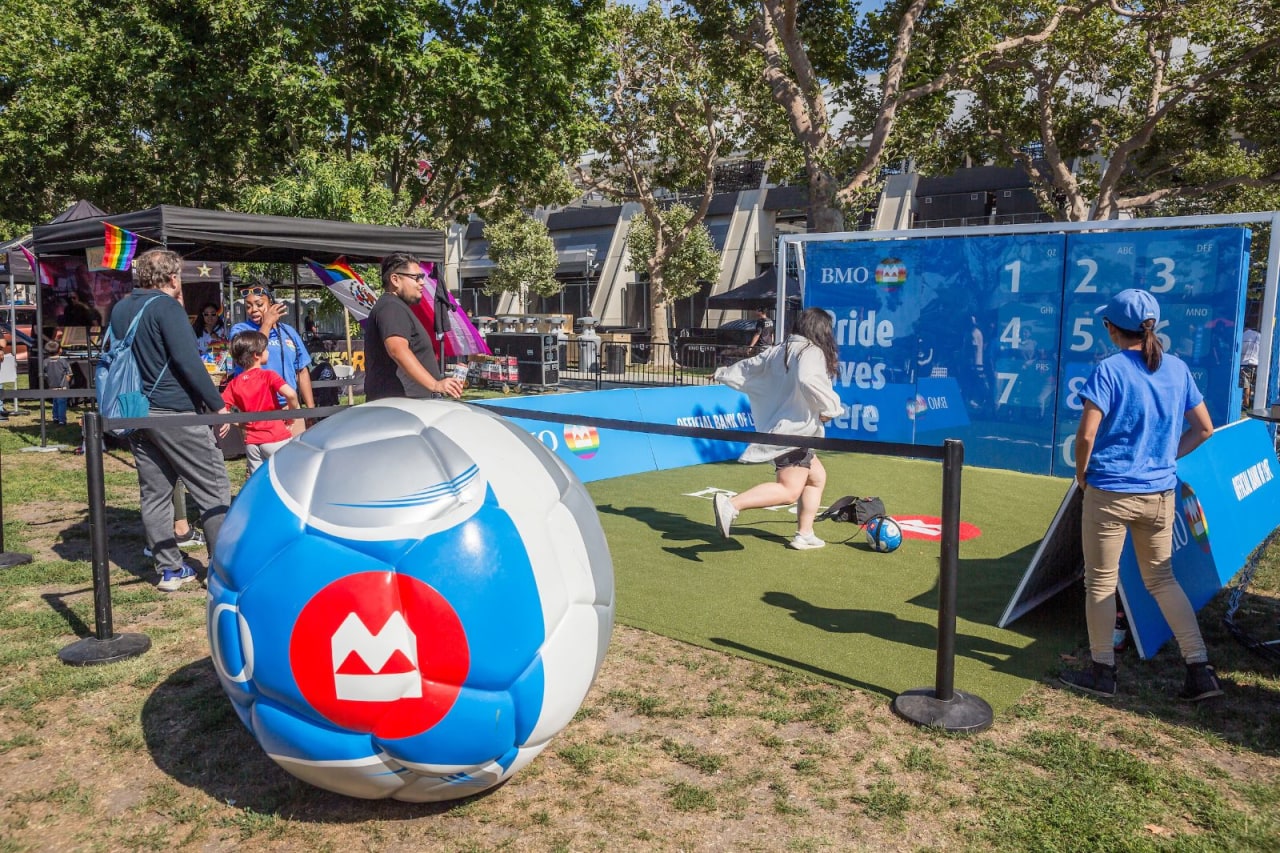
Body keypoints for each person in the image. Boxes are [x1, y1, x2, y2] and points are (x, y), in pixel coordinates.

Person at [1060, 289, 1221, 702]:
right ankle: (1200, 670)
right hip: (1159, 494)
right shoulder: (1177, 369)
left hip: (1109, 492)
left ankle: (1102, 673)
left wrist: (1083, 476)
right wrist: (1166, 456)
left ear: (1113, 329)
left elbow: (1087, 435)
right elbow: (1204, 428)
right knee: (1162, 581)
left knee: (1099, 583)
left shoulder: (1109, 369)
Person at [106, 249, 232, 592]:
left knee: (155, 493)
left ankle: (169, 571)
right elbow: (188, 360)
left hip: (136, 410)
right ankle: (222, 572)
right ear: (173, 278)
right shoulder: (167, 308)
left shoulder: (120, 308)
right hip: (175, 412)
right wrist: (218, 404)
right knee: (213, 488)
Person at [711, 307, 845, 550]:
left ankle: (805, 533)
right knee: (789, 490)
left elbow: (750, 367)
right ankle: (731, 504)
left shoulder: (779, 350)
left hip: (786, 429)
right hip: (796, 431)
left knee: (817, 478)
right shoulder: (810, 351)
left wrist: (723, 373)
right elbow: (808, 380)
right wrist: (830, 409)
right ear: (821, 330)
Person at [364, 252, 464, 401]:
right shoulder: (391, 306)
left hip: (408, 404)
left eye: (422, 277)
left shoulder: (395, 306)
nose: (422, 282)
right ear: (395, 279)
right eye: (416, 277)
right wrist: (435, 385)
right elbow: (397, 350)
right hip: (402, 407)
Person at [221, 331, 300, 475]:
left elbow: (222, 408)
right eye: (266, 349)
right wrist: (291, 417)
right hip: (275, 436)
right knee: (287, 476)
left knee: (258, 480)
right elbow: (291, 394)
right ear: (257, 355)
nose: (268, 351)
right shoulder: (268, 375)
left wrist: (239, 423)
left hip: (252, 442)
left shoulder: (234, 383)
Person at [228, 286, 315, 412]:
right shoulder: (240, 331)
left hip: (289, 405)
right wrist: (267, 324)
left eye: (259, 304)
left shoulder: (288, 331)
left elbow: (301, 370)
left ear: (271, 304)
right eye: (248, 306)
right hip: (256, 407)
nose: (253, 310)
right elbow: (253, 353)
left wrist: (310, 409)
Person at [43, 339, 71, 425]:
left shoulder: (45, 362)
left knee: (55, 401)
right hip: (62, 386)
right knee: (61, 402)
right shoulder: (63, 361)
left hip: (51, 386)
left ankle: (55, 417)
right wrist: (66, 382)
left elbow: (43, 374)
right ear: (60, 350)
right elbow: (69, 374)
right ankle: (62, 420)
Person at [1240, 326, 1260, 409]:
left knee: (1246, 385)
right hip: (1256, 363)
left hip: (1245, 363)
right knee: (1254, 385)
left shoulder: (1243, 335)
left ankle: (1246, 404)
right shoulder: (1259, 335)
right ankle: (1253, 403)